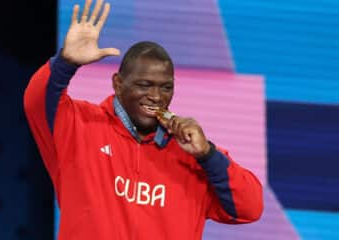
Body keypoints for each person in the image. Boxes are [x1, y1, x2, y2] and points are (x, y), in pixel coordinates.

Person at [23, 0, 263, 239]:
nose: (156, 96)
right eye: (144, 85)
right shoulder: (80, 127)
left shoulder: (190, 153)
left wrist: (208, 155)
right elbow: (36, 101)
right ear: (118, 83)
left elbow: (250, 208)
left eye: (166, 87)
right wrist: (66, 62)